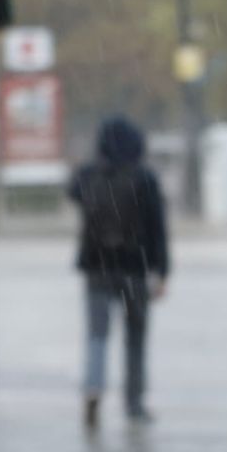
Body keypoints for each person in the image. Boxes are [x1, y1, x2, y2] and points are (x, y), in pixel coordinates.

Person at [70, 116, 168, 430]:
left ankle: (94, 387)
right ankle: (134, 403)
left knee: (97, 336)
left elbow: (72, 192)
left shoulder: (89, 176)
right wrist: (162, 271)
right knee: (135, 339)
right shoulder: (145, 178)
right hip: (134, 269)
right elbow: (158, 230)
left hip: (97, 269)